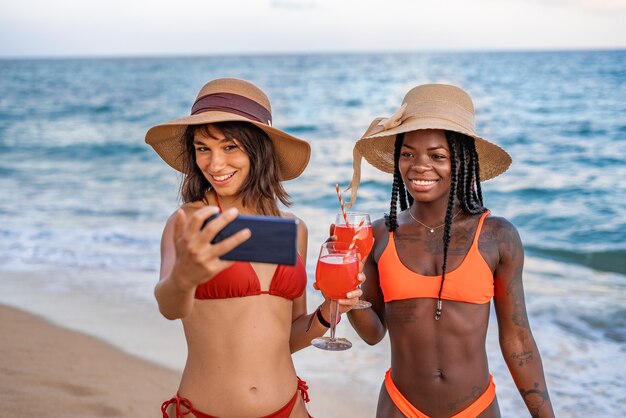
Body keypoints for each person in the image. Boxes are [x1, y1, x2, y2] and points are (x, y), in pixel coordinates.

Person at [145, 78, 363, 418]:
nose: (215, 164)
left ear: (259, 148)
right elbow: (169, 306)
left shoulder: (293, 229)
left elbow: (286, 338)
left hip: (290, 407)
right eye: (204, 148)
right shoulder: (188, 221)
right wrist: (184, 279)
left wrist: (331, 310)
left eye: (229, 147)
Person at [345, 84, 555, 417]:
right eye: (408, 153)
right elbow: (373, 333)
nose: (419, 166)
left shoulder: (496, 236)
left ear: (462, 160)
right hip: (400, 407)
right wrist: (346, 294)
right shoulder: (380, 235)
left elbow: (517, 339)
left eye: (437, 155)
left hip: (476, 408)